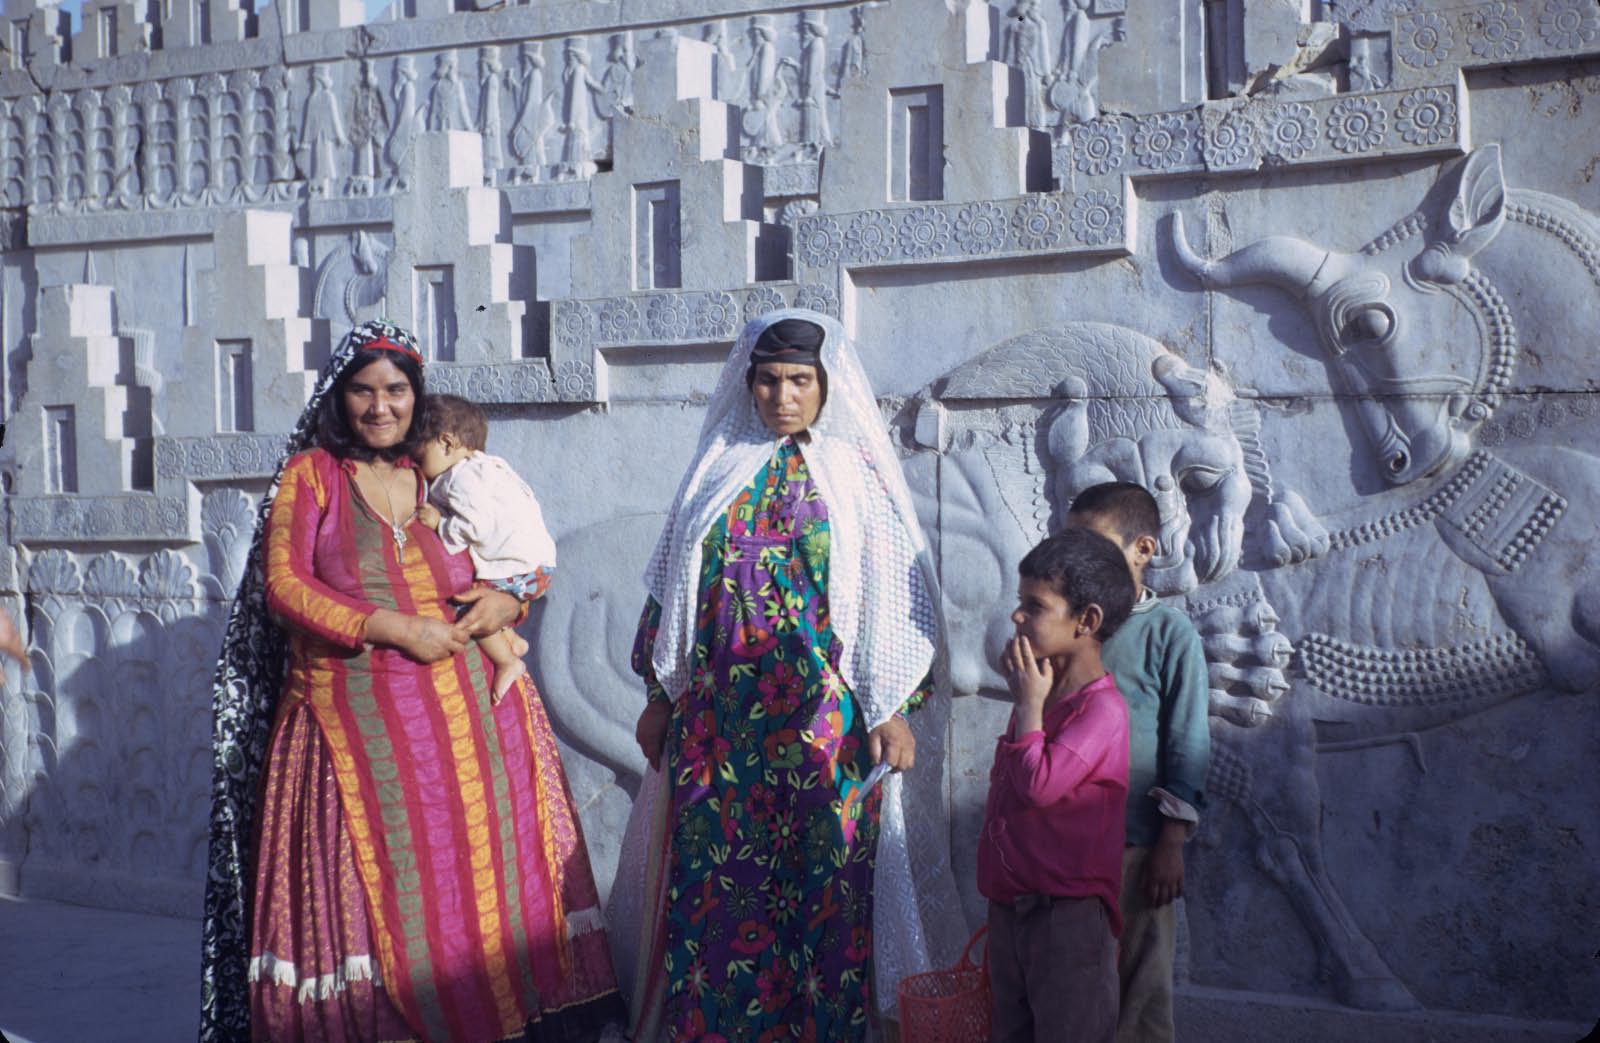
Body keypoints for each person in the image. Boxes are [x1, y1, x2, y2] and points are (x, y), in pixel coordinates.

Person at [198, 320, 623, 1043]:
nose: (379, 406)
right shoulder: (314, 477)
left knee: (475, 896)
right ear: (339, 399)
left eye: (396, 390)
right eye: (362, 391)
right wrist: (394, 627)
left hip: (472, 727)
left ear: (416, 397)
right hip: (354, 734)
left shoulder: (444, 470)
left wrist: (511, 600)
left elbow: (522, 549)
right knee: (378, 901)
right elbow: (284, 586)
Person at [621, 309, 941, 1041]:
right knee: (721, 893)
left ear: (827, 385)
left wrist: (891, 705)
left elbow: (894, 593)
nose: (781, 395)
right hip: (720, 729)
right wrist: (657, 694)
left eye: (800, 379)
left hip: (822, 729)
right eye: (767, 379)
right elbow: (672, 587)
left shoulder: (853, 479)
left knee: (824, 891)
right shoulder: (716, 466)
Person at [1066, 482, 1210, 1043]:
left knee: (1142, 987)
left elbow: (1187, 743)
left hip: (1138, 846)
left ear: (1143, 550)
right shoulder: (1070, 627)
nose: (1077, 560)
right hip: (1069, 844)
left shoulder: (1168, 632)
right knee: (1074, 985)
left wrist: (1170, 843)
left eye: (1092, 544)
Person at [979, 527, 1135, 1043]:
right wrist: (1029, 702)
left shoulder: (1102, 710)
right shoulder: (1045, 696)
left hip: (1068, 925)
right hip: (1013, 914)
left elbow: (1038, 785)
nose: (1017, 616)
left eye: (1034, 605)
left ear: (1086, 621)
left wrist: (1027, 706)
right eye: (1019, 601)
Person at [411, 392, 557, 702]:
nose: (415, 465)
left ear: (447, 443)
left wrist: (439, 524)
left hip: (518, 568)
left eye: (418, 456)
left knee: (471, 607)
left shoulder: (458, 478)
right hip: (536, 565)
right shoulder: (488, 467)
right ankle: (511, 639)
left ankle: (507, 661)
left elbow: (476, 526)